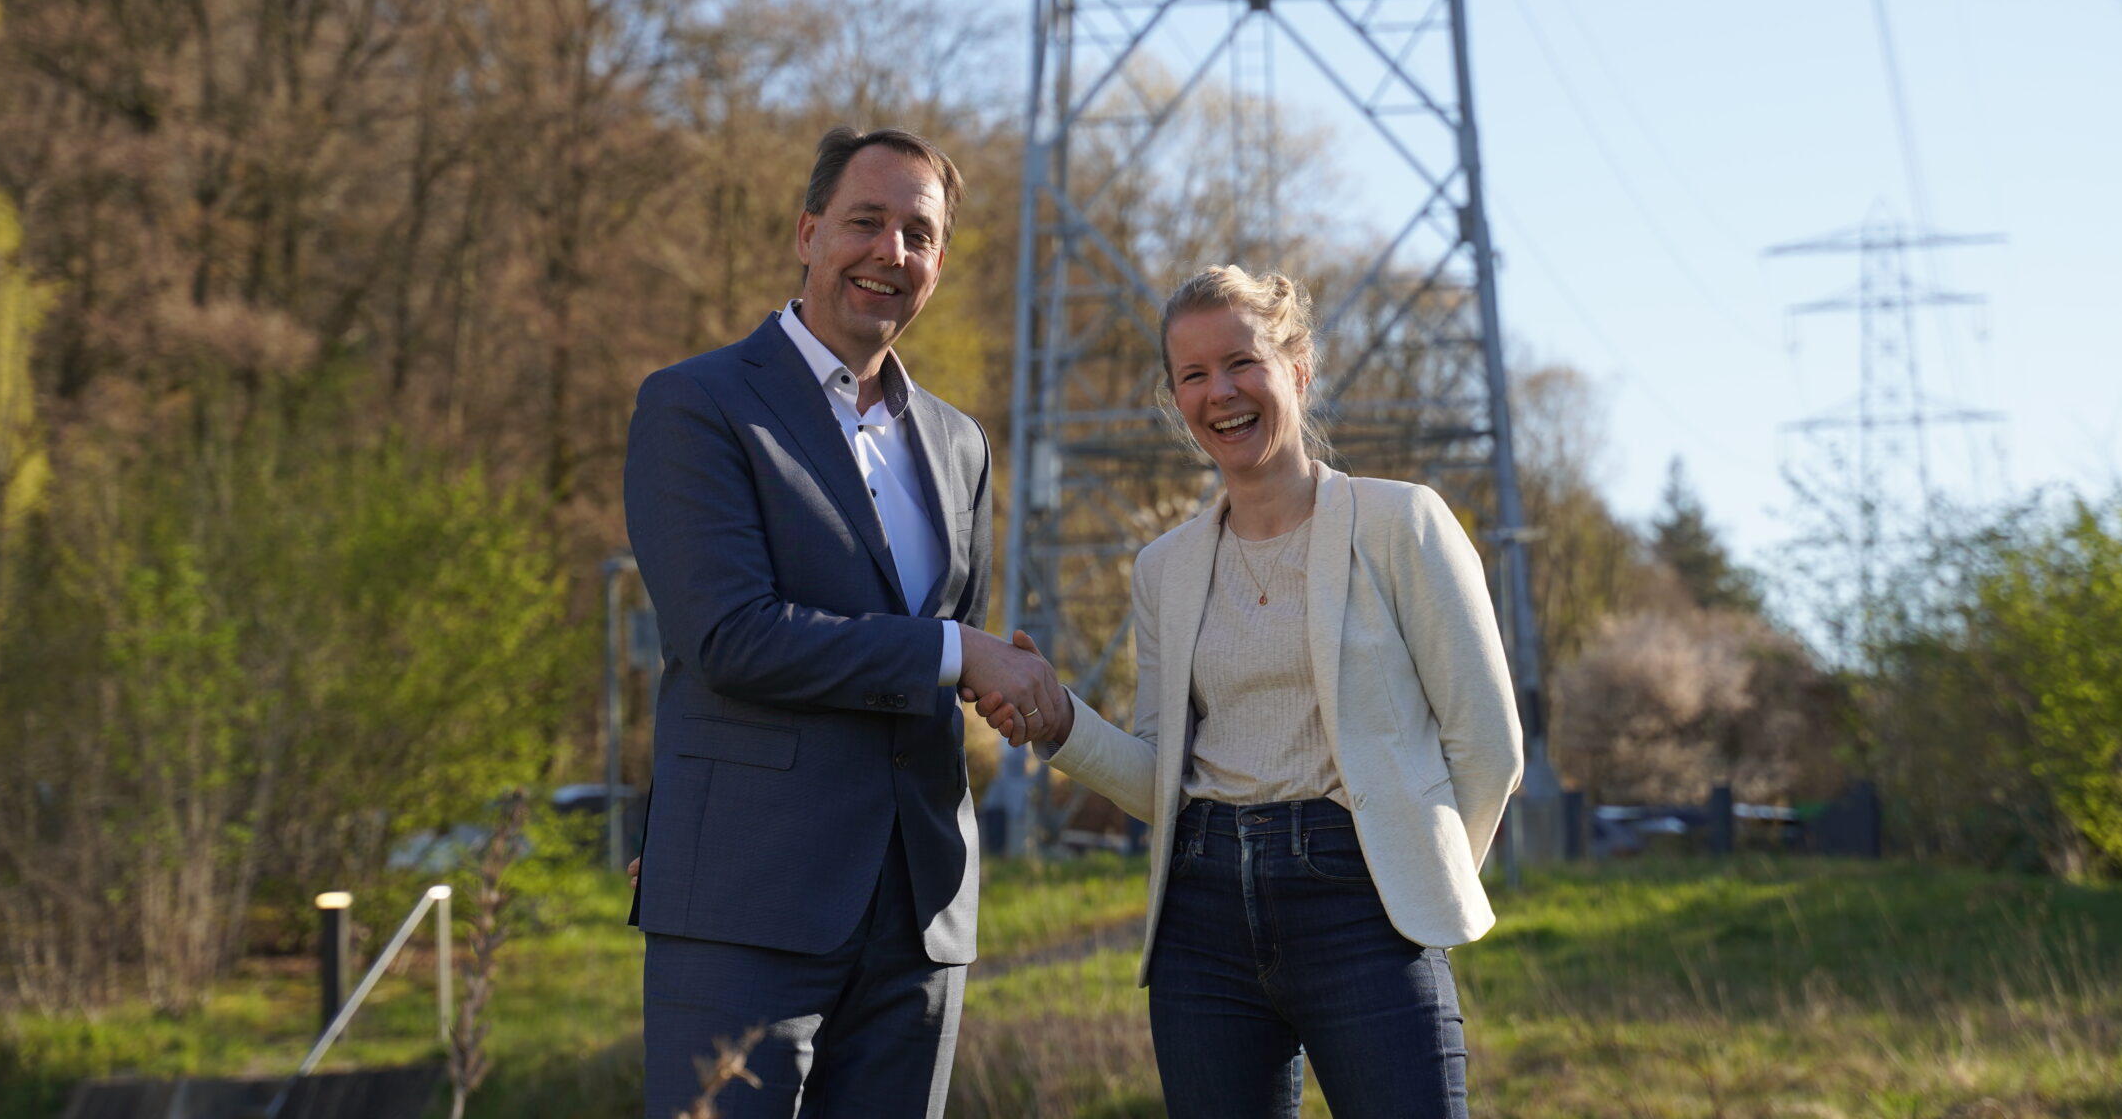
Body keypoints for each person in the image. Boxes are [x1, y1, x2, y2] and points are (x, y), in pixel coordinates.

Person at [984, 264, 1522, 1119]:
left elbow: (1488, 746)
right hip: (1201, 920)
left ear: (1297, 369)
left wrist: (1417, 879)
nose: (1221, 393)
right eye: (1193, 374)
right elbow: (1162, 779)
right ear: (1176, 399)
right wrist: (1060, 723)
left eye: (1242, 363)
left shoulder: (1403, 523)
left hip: (1366, 909)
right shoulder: (1163, 568)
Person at [623, 126, 1063, 1119]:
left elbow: (940, 659)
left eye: (919, 234)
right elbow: (728, 637)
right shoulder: (697, 404)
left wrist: (1002, 682)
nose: (890, 252)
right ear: (808, 234)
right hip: (744, 900)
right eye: (866, 221)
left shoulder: (959, 443)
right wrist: (955, 652)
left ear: (938, 263)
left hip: (921, 916)